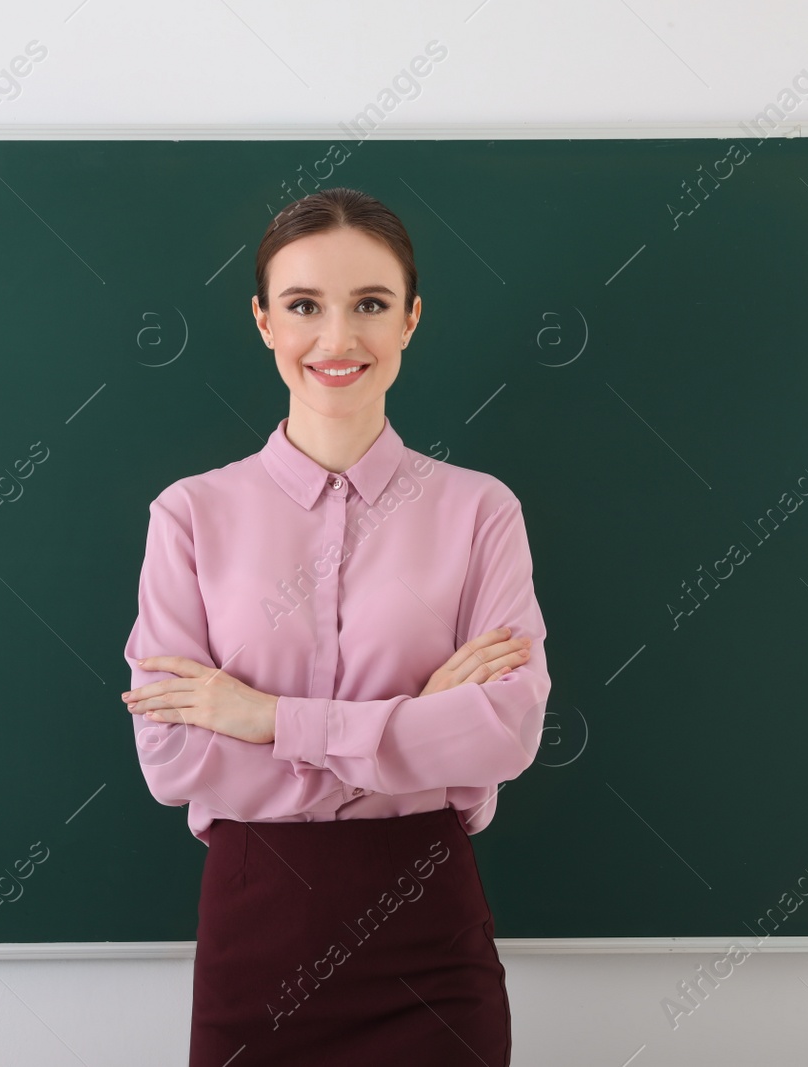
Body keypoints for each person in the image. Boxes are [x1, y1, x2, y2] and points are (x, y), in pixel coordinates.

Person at [121, 186, 550, 1066]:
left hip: (429, 930)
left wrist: (265, 719)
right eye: (304, 306)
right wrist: (417, 725)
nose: (338, 338)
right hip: (256, 930)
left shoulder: (480, 510)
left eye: (371, 305)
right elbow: (172, 758)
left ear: (410, 320)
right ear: (263, 321)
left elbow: (505, 731)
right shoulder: (190, 514)